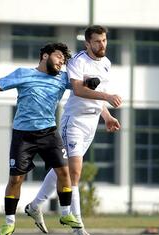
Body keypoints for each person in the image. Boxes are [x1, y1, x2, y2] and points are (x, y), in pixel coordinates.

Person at [0, 43, 83, 235]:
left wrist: (91, 82)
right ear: (45, 56)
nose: (61, 63)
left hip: (49, 133)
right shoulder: (23, 74)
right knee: (16, 179)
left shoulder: (62, 78)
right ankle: (9, 222)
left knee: (65, 172)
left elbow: (79, 84)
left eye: (64, 61)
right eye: (58, 58)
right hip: (23, 135)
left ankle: (65, 213)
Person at [25, 25, 122, 235]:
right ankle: (78, 228)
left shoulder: (106, 63)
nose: (101, 44)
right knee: (75, 173)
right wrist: (107, 97)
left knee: (64, 169)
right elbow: (78, 89)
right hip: (75, 121)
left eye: (104, 40)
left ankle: (34, 206)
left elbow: (99, 96)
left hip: (92, 122)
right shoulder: (78, 61)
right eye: (97, 41)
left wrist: (107, 116)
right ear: (87, 43)